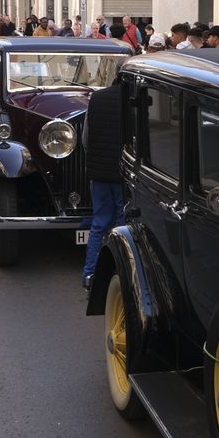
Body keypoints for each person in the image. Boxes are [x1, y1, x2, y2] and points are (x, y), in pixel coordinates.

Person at [81, 80, 125, 290]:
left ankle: (90, 272)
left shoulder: (96, 98)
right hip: (121, 173)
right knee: (122, 223)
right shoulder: (132, 99)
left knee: (99, 222)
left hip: (99, 172)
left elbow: (85, 138)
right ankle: (117, 272)